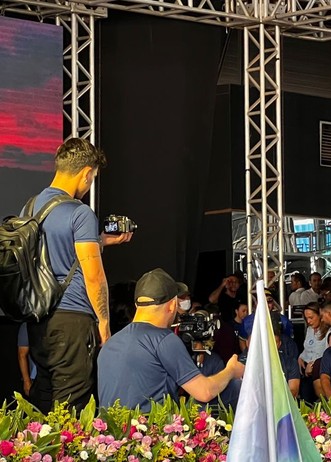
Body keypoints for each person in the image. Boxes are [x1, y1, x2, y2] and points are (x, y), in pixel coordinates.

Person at [26, 138, 132, 413]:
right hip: (72, 321)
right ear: (86, 172)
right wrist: (104, 322)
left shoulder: (32, 207)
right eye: (93, 177)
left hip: (38, 321)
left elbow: (56, 252)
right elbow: (94, 276)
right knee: (72, 408)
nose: (90, 184)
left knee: (44, 401)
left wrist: (101, 241)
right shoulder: (79, 212)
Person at [98, 269, 244, 411]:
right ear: (173, 305)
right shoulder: (164, 339)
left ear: (137, 305)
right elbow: (204, 392)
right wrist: (231, 370)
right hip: (153, 431)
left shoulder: (110, 343)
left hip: (112, 432)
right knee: (234, 388)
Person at [298, 303, 329, 402]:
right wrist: (301, 357)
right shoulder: (310, 329)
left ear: (319, 315)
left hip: (320, 368)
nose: (308, 321)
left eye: (311, 317)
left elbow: (327, 352)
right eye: (306, 318)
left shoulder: (328, 331)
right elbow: (307, 347)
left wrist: (312, 365)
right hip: (306, 367)